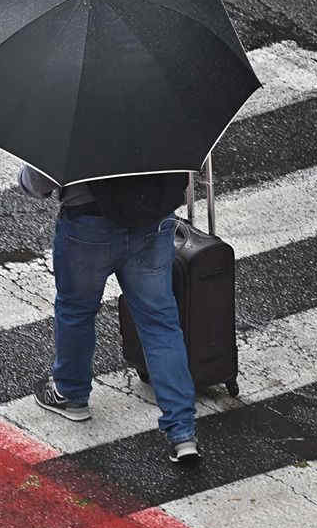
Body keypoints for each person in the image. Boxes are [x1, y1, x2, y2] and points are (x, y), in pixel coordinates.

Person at [18, 164, 201, 464]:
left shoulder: (72, 118)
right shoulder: (160, 115)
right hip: (153, 221)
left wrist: (25, 178)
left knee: (76, 310)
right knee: (160, 325)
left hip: (88, 225)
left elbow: (38, 184)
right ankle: (183, 433)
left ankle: (71, 393)